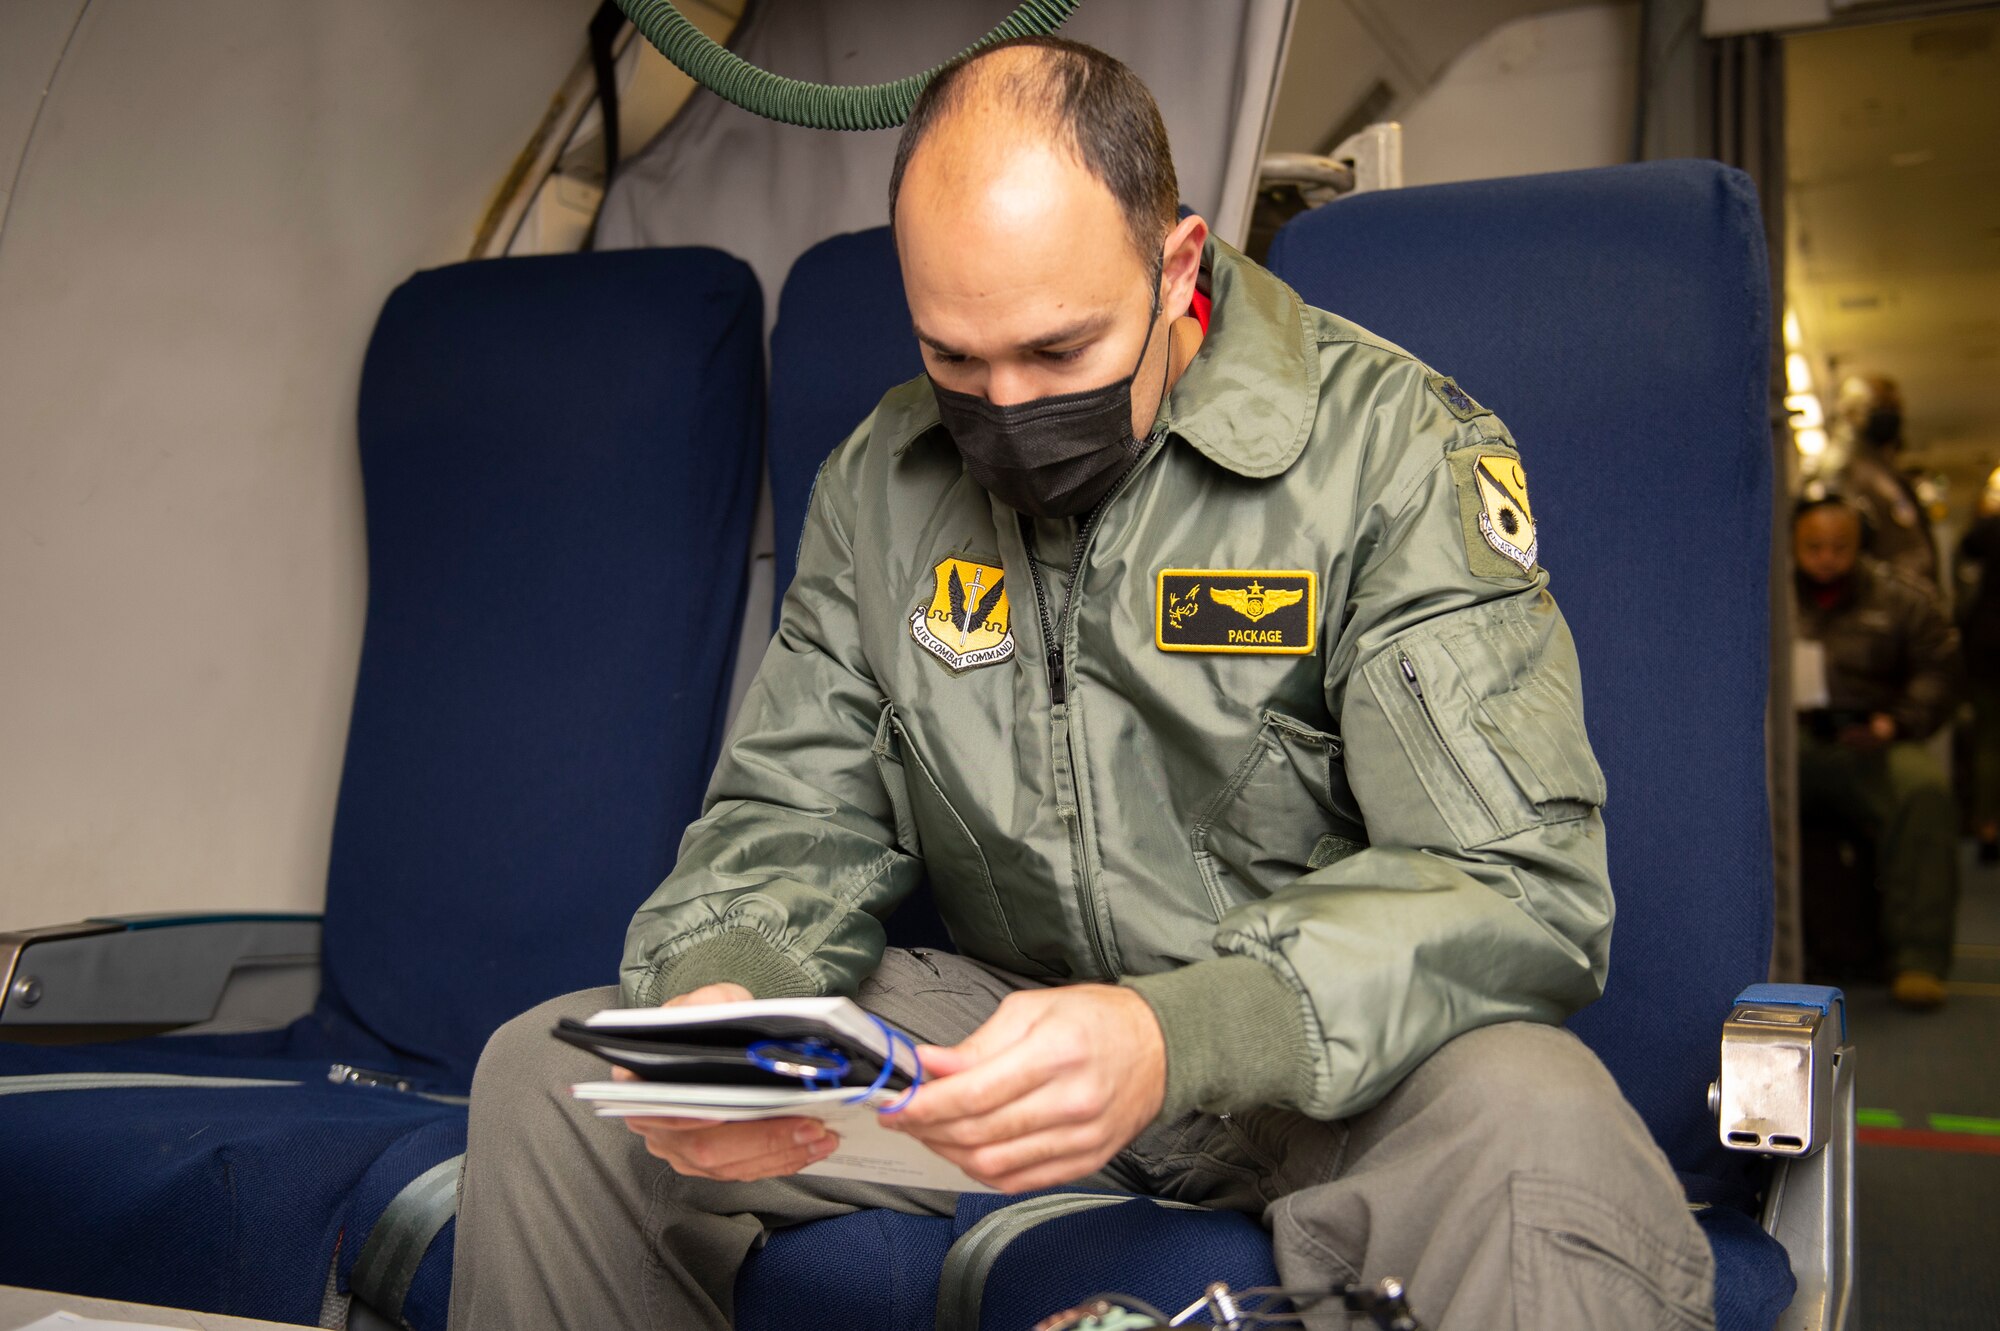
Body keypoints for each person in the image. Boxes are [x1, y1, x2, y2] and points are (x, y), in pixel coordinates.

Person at [447, 38, 1712, 1331]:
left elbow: (1516, 882)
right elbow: (793, 817)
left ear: (1176, 266)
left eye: (1057, 353)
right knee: (558, 1085)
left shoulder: (1391, 451)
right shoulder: (882, 484)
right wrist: (724, 992)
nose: (1001, 408)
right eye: (954, 358)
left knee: (1540, 1121)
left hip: (1319, 1068)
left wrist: (1174, 1034)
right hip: (1014, 1048)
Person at [1793, 496, 1961, 1008]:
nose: (1826, 558)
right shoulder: (1766, 593)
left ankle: (1919, 960)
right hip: (1788, 743)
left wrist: (1896, 721)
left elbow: (1940, 671)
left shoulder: (1904, 598)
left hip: (1874, 741)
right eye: (1814, 547)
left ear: (1860, 544)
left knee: (1924, 793)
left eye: (1840, 547)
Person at [1830, 374, 1940, 594]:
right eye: (1882, 406)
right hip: (1880, 603)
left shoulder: (1883, 470)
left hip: (1906, 601)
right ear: (1853, 413)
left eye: (1895, 407)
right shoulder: (1844, 470)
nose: (1892, 415)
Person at [1956, 491, 2000, 862]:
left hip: (1988, 646)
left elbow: (1965, 552)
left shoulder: (1989, 530)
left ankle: (1987, 826)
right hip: (1988, 649)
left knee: (1988, 743)